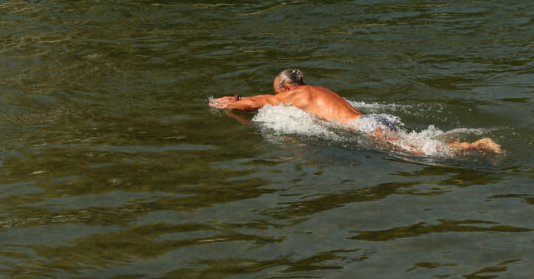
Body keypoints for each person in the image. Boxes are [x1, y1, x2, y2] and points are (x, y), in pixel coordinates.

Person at [209, 68, 503, 154]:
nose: (277, 96)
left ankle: (476, 146)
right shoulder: (317, 91)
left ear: (287, 87)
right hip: (372, 120)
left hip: (365, 127)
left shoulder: (295, 95)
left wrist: (224, 102)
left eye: (277, 90)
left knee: (420, 152)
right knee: (415, 143)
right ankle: (470, 145)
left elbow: (255, 102)